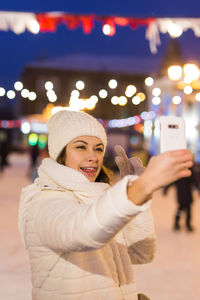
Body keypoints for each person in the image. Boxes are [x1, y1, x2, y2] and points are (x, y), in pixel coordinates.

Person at [18, 110, 193, 300]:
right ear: (61, 153)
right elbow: (82, 230)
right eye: (81, 147)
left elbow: (141, 253)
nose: (94, 156)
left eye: (99, 148)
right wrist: (141, 187)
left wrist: (140, 194)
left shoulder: (98, 199)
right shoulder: (43, 200)